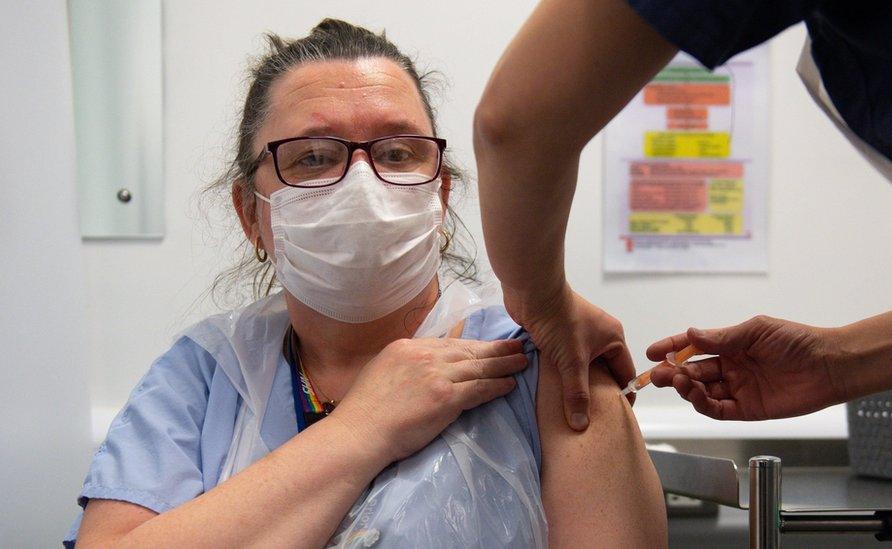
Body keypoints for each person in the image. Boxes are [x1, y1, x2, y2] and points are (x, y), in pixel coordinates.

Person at [64, 18, 668, 548]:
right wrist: (363, 428)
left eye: (399, 152)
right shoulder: (203, 377)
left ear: (442, 194)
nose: (363, 186)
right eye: (313, 157)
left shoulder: (547, 365)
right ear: (252, 215)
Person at [473, 0, 892, 546]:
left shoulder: (548, 381)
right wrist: (834, 364)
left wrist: (542, 303)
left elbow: (514, 124)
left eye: (400, 153)